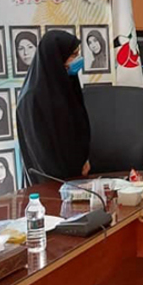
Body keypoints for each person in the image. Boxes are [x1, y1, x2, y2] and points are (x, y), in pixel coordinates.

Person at [17, 31, 91, 181]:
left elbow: (79, 127)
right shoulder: (31, 98)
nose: (78, 59)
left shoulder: (66, 83)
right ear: (56, 57)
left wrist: (83, 160)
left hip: (77, 175)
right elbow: (41, 154)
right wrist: (67, 179)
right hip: (50, 182)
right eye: (73, 55)